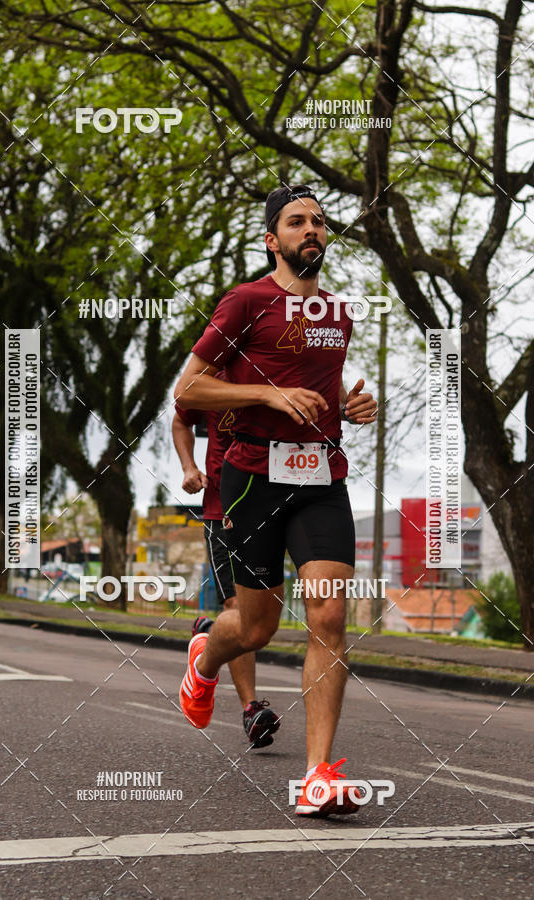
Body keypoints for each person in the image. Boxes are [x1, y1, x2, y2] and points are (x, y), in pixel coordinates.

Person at [175, 184, 378, 817]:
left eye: (319, 221)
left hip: (321, 478)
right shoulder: (245, 302)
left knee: (328, 617)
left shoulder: (338, 314)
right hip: (251, 477)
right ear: (273, 239)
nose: (311, 229)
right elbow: (189, 391)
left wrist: (352, 404)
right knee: (257, 626)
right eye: (296, 222)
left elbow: (325, 388)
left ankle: (318, 775)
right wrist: (265, 395)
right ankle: (205, 658)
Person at [171, 389, 280, 748]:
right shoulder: (212, 377)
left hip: (279, 506)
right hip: (225, 511)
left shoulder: (280, 371)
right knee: (239, 609)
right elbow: (181, 420)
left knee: (265, 620)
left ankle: (209, 641)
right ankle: (251, 709)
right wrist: (189, 467)